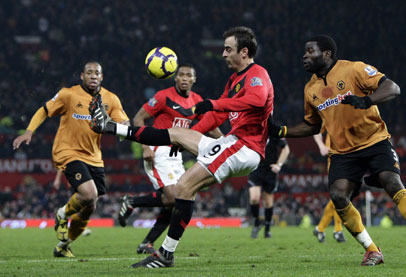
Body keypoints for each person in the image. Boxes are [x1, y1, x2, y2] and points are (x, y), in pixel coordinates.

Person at [89, 26, 274, 269]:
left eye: (228, 49)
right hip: (234, 142)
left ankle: (165, 254)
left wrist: (215, 104)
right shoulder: (234, 80)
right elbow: (217, 116)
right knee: (175, 135)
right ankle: (111, 127)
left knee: (183, 187)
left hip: (244, 147)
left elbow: (257, 100)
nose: (224, 54)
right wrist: (188, 137)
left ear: (244, 51)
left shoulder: (257, 74)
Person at [269, 35, 406, 265]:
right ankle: (372, 250)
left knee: (392, 182)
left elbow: (393, 88)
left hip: (374, 141)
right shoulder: (310, 88)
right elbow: (313, 125)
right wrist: (281, 131)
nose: (304, 56)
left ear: (327, 54)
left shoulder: (354, 69)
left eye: (310, 51)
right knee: (338, 195)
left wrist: (368, 101)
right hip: (342, 152)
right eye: (304, 52)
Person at [13, 61, 129, 258]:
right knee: (89, 193)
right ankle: (61, 215)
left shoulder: (111, 99)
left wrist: (125, 128)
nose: (93, 76)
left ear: (102, 77)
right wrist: (29, 132)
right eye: (89, 73)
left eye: (97, 73)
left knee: (89, 206)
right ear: (81, 76)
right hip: (68, 152)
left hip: (94, 157)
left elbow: (123, 122)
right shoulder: (68, 94)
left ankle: (63, 246)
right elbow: (44, 109)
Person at [118, 64, 223, 254]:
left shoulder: (197, 100)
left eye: (188, 75)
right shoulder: (162, 96)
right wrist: (145, 146)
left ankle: (147, 243)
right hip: (157, 150)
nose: (184, 78)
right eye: (180, 75)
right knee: (173, 197)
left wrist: (224, 141)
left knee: (178, 200)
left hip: (176, 155)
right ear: (175, 78)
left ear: (194, 80)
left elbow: (211, 125)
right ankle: (132, 202)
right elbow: (138, 119)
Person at [249, 137, 289, 239]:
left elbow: (286, 149)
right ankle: (256, 223)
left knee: (268, 202)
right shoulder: (252, 129)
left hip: (270, 170)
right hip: (255, 168)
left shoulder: (274, 130)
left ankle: (267, 228)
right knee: (254, 198)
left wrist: (279, 165)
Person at [312, 133, 345, 243]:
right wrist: (322, 146)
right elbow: (317, 131)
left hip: (347, 158)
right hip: (335, 159)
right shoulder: (330, 116)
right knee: (340, 195)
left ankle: (320, 229)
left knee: (340, 197)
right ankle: (338, 230)